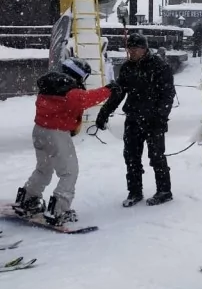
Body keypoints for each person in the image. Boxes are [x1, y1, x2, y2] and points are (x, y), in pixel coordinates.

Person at [13, 58, 121, 225]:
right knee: (69, 172)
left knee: (43, 169)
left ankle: (27, 199)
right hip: (56, 134)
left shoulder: (49, 84)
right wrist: (108, 90)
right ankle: (59, 210)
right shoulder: (69, 90)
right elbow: (86, 99)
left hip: (39, 130)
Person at [95, 33, 177, 206]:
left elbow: (168, 95)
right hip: (133, 118)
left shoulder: (160, 66)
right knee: (131, 156)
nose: (131, 52)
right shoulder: (127, 68)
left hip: (154, 120)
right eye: (129, 49)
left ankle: (164, 191)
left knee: (156, 157)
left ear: (144, 49)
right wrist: (104, 113)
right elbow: (118, 93)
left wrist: (160, 116)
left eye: (135, 49)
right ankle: (134, 192)